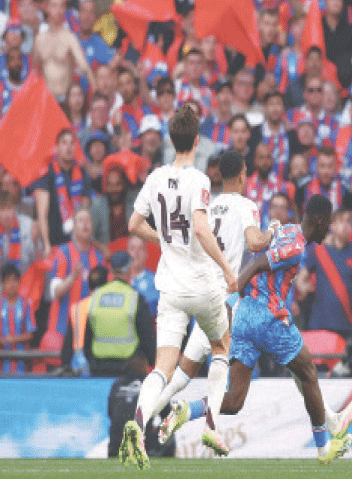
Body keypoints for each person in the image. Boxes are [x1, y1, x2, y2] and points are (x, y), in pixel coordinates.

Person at [161, 194, 352, 464]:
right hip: (268, 318)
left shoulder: (287, 230)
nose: (330, 229)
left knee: (233, 400)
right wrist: (228, 296)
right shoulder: (296, 247)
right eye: (329, 223)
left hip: (244, 318)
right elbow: (254, 264)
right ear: (321, 220)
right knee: (309, 373)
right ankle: (324, 446)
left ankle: (188, 409)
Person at [120, 104, 238, 469]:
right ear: (197, 139)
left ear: (171, 140)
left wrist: (166, 241)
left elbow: (133, 224)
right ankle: (213, 425)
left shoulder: (155, 177)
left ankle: (138, 423)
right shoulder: (199, 180)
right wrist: (226, 268)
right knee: (222, 346)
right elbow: (201, 229)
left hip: (169, 288)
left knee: (162, 368)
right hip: (201, 286)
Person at [148, 150, 269, 422]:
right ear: (242, 174)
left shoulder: (207, 208)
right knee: (227, 378)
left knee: (182, 374)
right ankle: (207, 430)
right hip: (224, 303)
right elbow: (255, 243)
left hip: (200, 293)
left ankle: (143, 419)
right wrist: (272, 231)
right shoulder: (247, 206)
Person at [63, 251, 155, 377]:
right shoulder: (135, 298)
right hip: (128, 367)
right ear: (129, 269)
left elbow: (88, 334)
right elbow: (146, 336)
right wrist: (151, 359)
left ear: (111, 270)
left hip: (99, 367)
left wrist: (92, 361)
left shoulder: (96, 296)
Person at [41, 207, 104, 369]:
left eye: (88, 221)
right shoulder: (63, 252)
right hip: (62, 332)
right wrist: (73, 276)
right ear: (74, 227)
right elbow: (54, 293)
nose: (85, 225)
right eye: (80, 221)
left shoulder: (98, 256)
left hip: (89, 333)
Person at [298, 208, 352, 342]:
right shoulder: (318, 249)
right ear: (332, 225)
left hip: (346, 323)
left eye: (348, 222)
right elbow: (300, 278)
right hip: (320, 322)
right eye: (341, 221)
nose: (345, 226)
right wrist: (305, 289)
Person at [32, 128, 92, 257]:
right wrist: (46, 245)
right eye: (64, 143)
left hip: (76, 242)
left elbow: (85, 210)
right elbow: (42, 214)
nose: (68, 147)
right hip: (53, 241)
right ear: (57, 147)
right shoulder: (46, 172)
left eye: (72, 143)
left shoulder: (82, 172)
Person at [108, 353, 176, 459]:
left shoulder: (117, 384)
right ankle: (155, 459)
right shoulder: (152, 385)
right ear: (146, 368)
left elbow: (111, 413)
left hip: (116, 442)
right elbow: (169, 416)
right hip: (142, 441)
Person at [32, 0, 95, 100]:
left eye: (62, 6)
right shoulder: (39, 39)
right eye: (54, 6)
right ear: (47, 8)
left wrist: (97, 93)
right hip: (47, 99)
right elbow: (35, 71)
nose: (59, 10)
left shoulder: (70, 37)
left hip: (65, 99)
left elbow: (84, 67)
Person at [0, 264, 35, 374]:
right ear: (3, 284)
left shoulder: (26, 304)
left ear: (19, 282)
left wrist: (13, 339)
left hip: (22, 362)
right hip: (3, 361)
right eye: (8, 281)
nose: (11, 284)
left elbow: (30, 334)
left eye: (14, 280)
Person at [0, 190, 37, 274]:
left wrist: (35, 243)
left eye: (9, 208)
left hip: (27, 279)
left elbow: (38, 260)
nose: (7, 215)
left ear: (15, 208)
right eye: (2, 210)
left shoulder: (28, 224)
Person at [128, 236, 158, 320]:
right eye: (132, 248)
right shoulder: (118, 280)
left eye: (140, 249)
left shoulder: (155, 281)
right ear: (127, 253)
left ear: (146, 254)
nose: (136, 253)